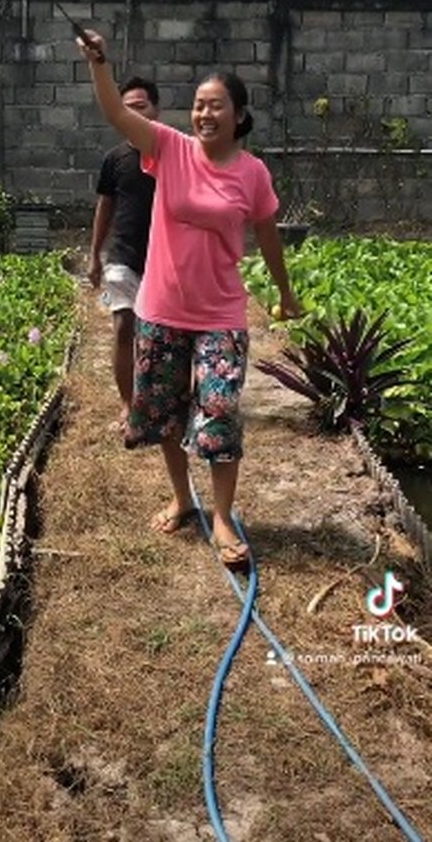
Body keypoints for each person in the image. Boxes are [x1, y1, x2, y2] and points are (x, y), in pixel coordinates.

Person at [77, 29, 302, 568]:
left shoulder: (253, 174)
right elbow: (115, 113)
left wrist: (286, 292)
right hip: (161, 309)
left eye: (215, 106)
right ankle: (182, 496)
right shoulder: (169, 149)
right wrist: (100, 64)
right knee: (165, 412)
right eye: (198, 105)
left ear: (239, 115)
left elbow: (268, 235)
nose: (204, 114)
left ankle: (222, 516)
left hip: (221, 312)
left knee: (220, 408)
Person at [88, 77, 159, 428]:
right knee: (122, 327)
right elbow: (105, 208)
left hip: (164, 260)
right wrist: (94, 257)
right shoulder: (114, 159)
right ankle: (128, 403)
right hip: (122, 257)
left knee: (160, 335)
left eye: (140, 106)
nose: (133, 113)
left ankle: (161, 399)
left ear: (155, 109)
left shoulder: (170, 153)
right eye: (127, 107)